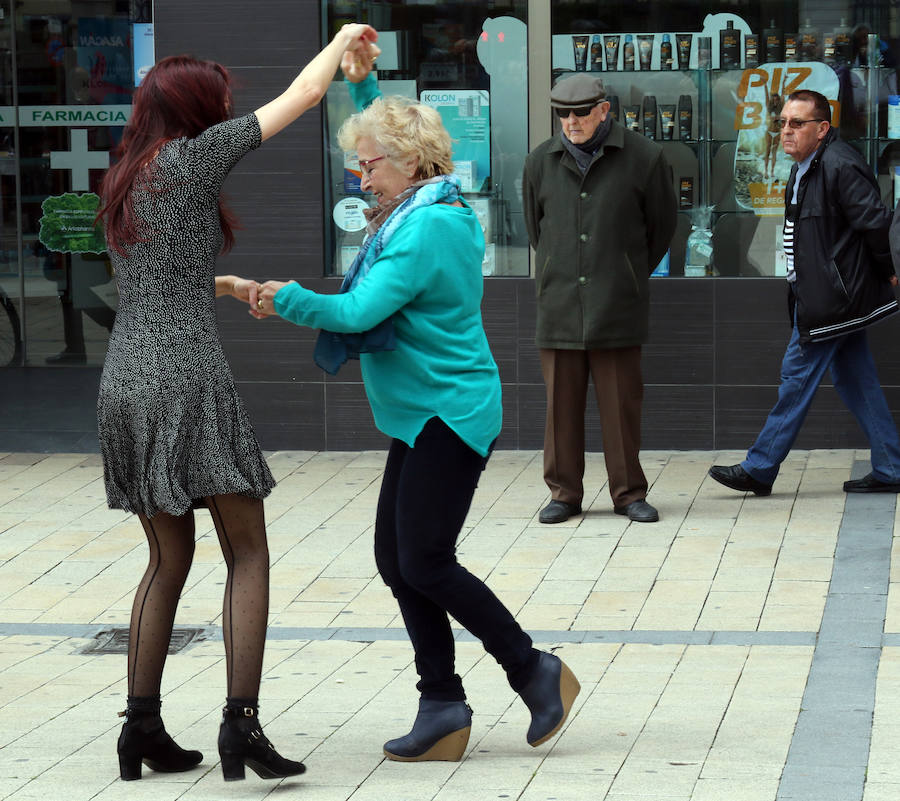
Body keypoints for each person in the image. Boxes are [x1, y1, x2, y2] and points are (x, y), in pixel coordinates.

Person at [250, 49, 580, 763]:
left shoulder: (427, 226)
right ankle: (443, 704)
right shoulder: (418, 203)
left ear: (409, 163)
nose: (360, 175)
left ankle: (532, 669)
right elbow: (387, 132)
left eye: (370, 165)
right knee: (398, 559)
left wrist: (286, 299)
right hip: (422, 410)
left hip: (451, 410)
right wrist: (363, 79)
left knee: (423, 558)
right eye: (359, 164)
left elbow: (362, 307)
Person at [96, 23, 377, 782]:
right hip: (186, 374)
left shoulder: (126, 174)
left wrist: (226, 283)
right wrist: (344, 32)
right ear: (194, 109)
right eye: (217, 100)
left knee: (167, 555)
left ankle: (140, 727)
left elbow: (154, 282)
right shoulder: (196, 157)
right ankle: (239, 727)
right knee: (246, 549)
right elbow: (307, 94)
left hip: (126, 374)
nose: (226, 111)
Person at [709, 89, 900, 496]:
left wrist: (890, 272)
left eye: (797, 123)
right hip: (820, 292)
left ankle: (760, 467)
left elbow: (874, 222)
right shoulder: (805, 166)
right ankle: (891, 466)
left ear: (822, 128)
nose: (786, 131)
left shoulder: (839, 164)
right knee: (856, 380)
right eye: (782, 123)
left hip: (832, 298)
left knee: (796, 377)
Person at [522, 73, 677, 525]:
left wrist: (626, 273)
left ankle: (629, 493)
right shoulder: (539, 162)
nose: (571, 122)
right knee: (560, 409)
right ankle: (563, 493)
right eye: (563, 114)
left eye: (581, 113)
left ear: (603, 110)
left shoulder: (644, 157)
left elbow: (661, 227)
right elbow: (538, 230)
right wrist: (559, 270)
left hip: (617, 302)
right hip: (560, 303)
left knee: (621, 404)